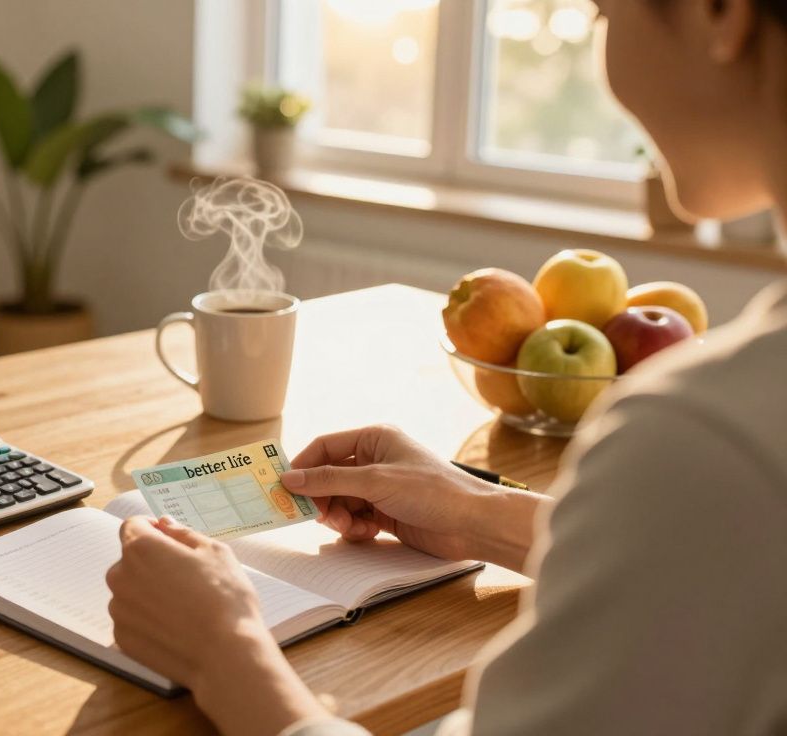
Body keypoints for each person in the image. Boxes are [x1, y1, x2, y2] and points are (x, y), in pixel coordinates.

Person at [105, 1, 787, 733]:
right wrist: (476, 515)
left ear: (721, 14)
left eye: (600, 10)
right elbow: (711, 571)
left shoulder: (705, 440)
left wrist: (223, 651)